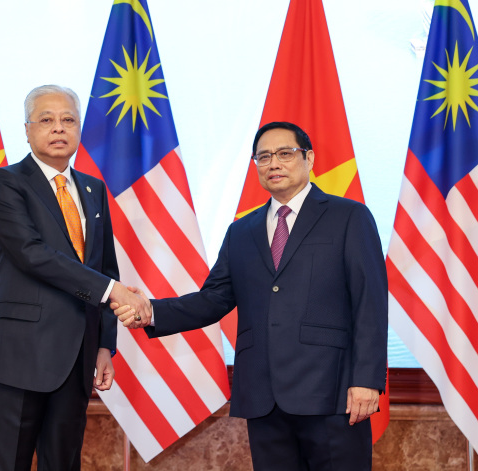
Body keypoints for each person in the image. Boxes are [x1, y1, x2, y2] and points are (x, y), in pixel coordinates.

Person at [113, 122, 388, 470]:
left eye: (285, 154)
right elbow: (213, 299)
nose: (274, 163)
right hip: (264, 397)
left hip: (331, 394)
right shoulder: (242, 231)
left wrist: (366, 381)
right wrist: (150, 311)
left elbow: (370, 303)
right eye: (264, 157)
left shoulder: (349, 217)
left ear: (310, 158)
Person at [0, 85, 150, 471]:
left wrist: (105, 344)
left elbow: (104, 268)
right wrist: (113, 292)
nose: (58, 128)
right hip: (18, 353)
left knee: (64, 463)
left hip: (77, 355)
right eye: (46, 119)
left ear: (79, 129)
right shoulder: (5, 183)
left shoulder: (94, 189)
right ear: (27, 130)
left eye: (68, 119)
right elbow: (32, 254)